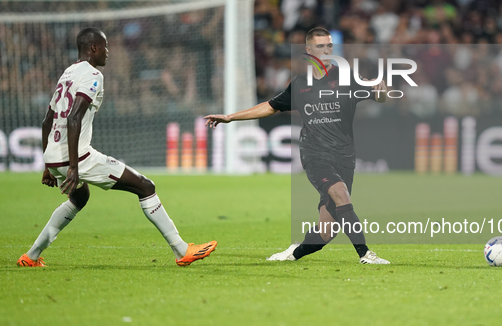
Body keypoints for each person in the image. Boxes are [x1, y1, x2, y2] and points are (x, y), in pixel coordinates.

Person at [17, 27, 216, 268]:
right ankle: (182, 250)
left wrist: (49, 164)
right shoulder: (92, 75)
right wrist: (73, 166)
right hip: (77, 158)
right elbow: (73, 119)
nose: (108, 52)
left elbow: (47, 121)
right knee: (145, 186)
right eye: (104, 46)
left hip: (53, 155)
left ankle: (31, 256)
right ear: (93, 48)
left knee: (79, 198)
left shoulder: (68, 73)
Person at [205, 27, 390, 264]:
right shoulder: (301, 84)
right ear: (309, 50)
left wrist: (382, 90)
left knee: (326, 232)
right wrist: (230, 117)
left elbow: (379, 96)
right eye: (320, 46)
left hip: (344, 156)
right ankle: (366, 254)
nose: (326, 51)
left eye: (329, 46)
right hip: (315, 155)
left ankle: (293, 253)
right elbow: (270, 106)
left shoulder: (347, 77)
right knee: (341, 194)